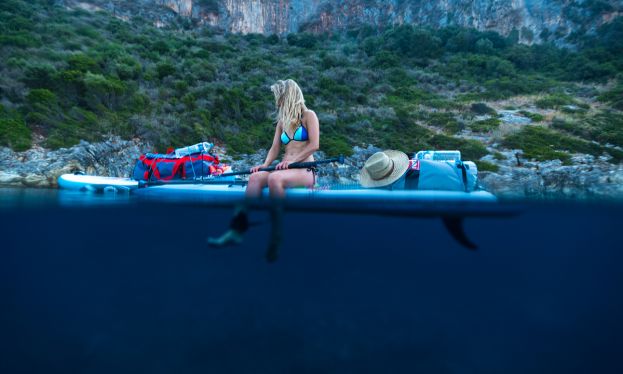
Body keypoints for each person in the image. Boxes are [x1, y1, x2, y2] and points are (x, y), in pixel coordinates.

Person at [207, 79, 320, 258]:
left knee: (275, 178)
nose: (277, 102)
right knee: (255, 178)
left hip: (305, 170)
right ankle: (237, 229)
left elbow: (314, 145)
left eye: (279, 98)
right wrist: (265, 166)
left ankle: (277, 234)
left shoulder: (308, 115)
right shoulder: (282, 122)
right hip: (286, 169)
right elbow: (274, 148)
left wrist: (292, 162)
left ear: (288, 96)